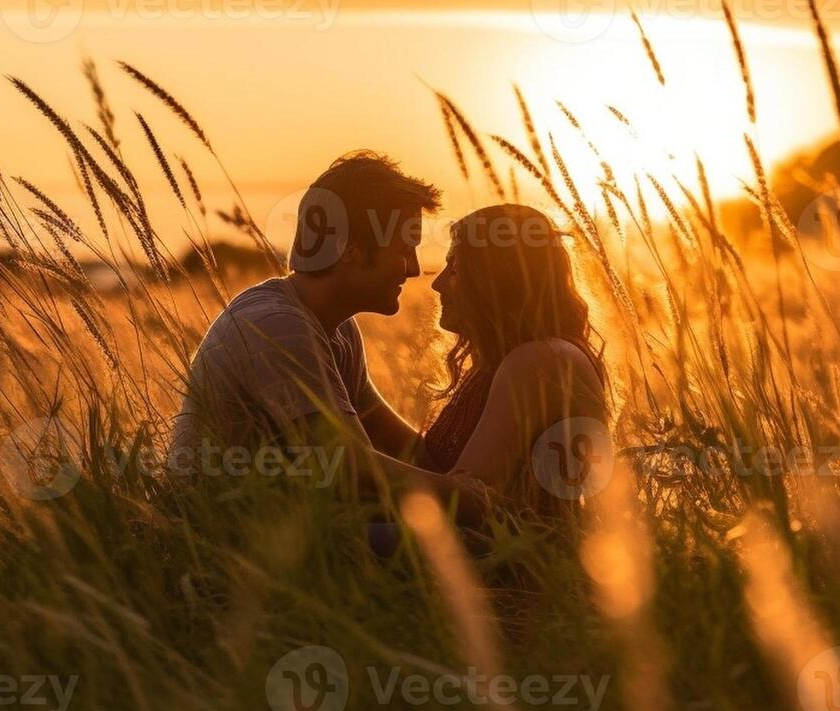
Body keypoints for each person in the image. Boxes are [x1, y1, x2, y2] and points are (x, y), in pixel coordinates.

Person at [169, 151, 484, 516]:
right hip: (218, 535)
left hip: (281, 524)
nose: (414, 269)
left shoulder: (337, 328)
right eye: (404, 251)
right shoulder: (276, 327)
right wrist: (458, 494)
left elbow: (402, 447)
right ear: (350, 249)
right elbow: (348, 467)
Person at [420, 204, 608, 519]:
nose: (436, 284)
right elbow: (433, 465)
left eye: (454, 269)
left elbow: (469, 499)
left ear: (496, 277)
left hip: (514, 563)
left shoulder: (541, 360)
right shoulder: (510, 361)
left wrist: (353, 462)